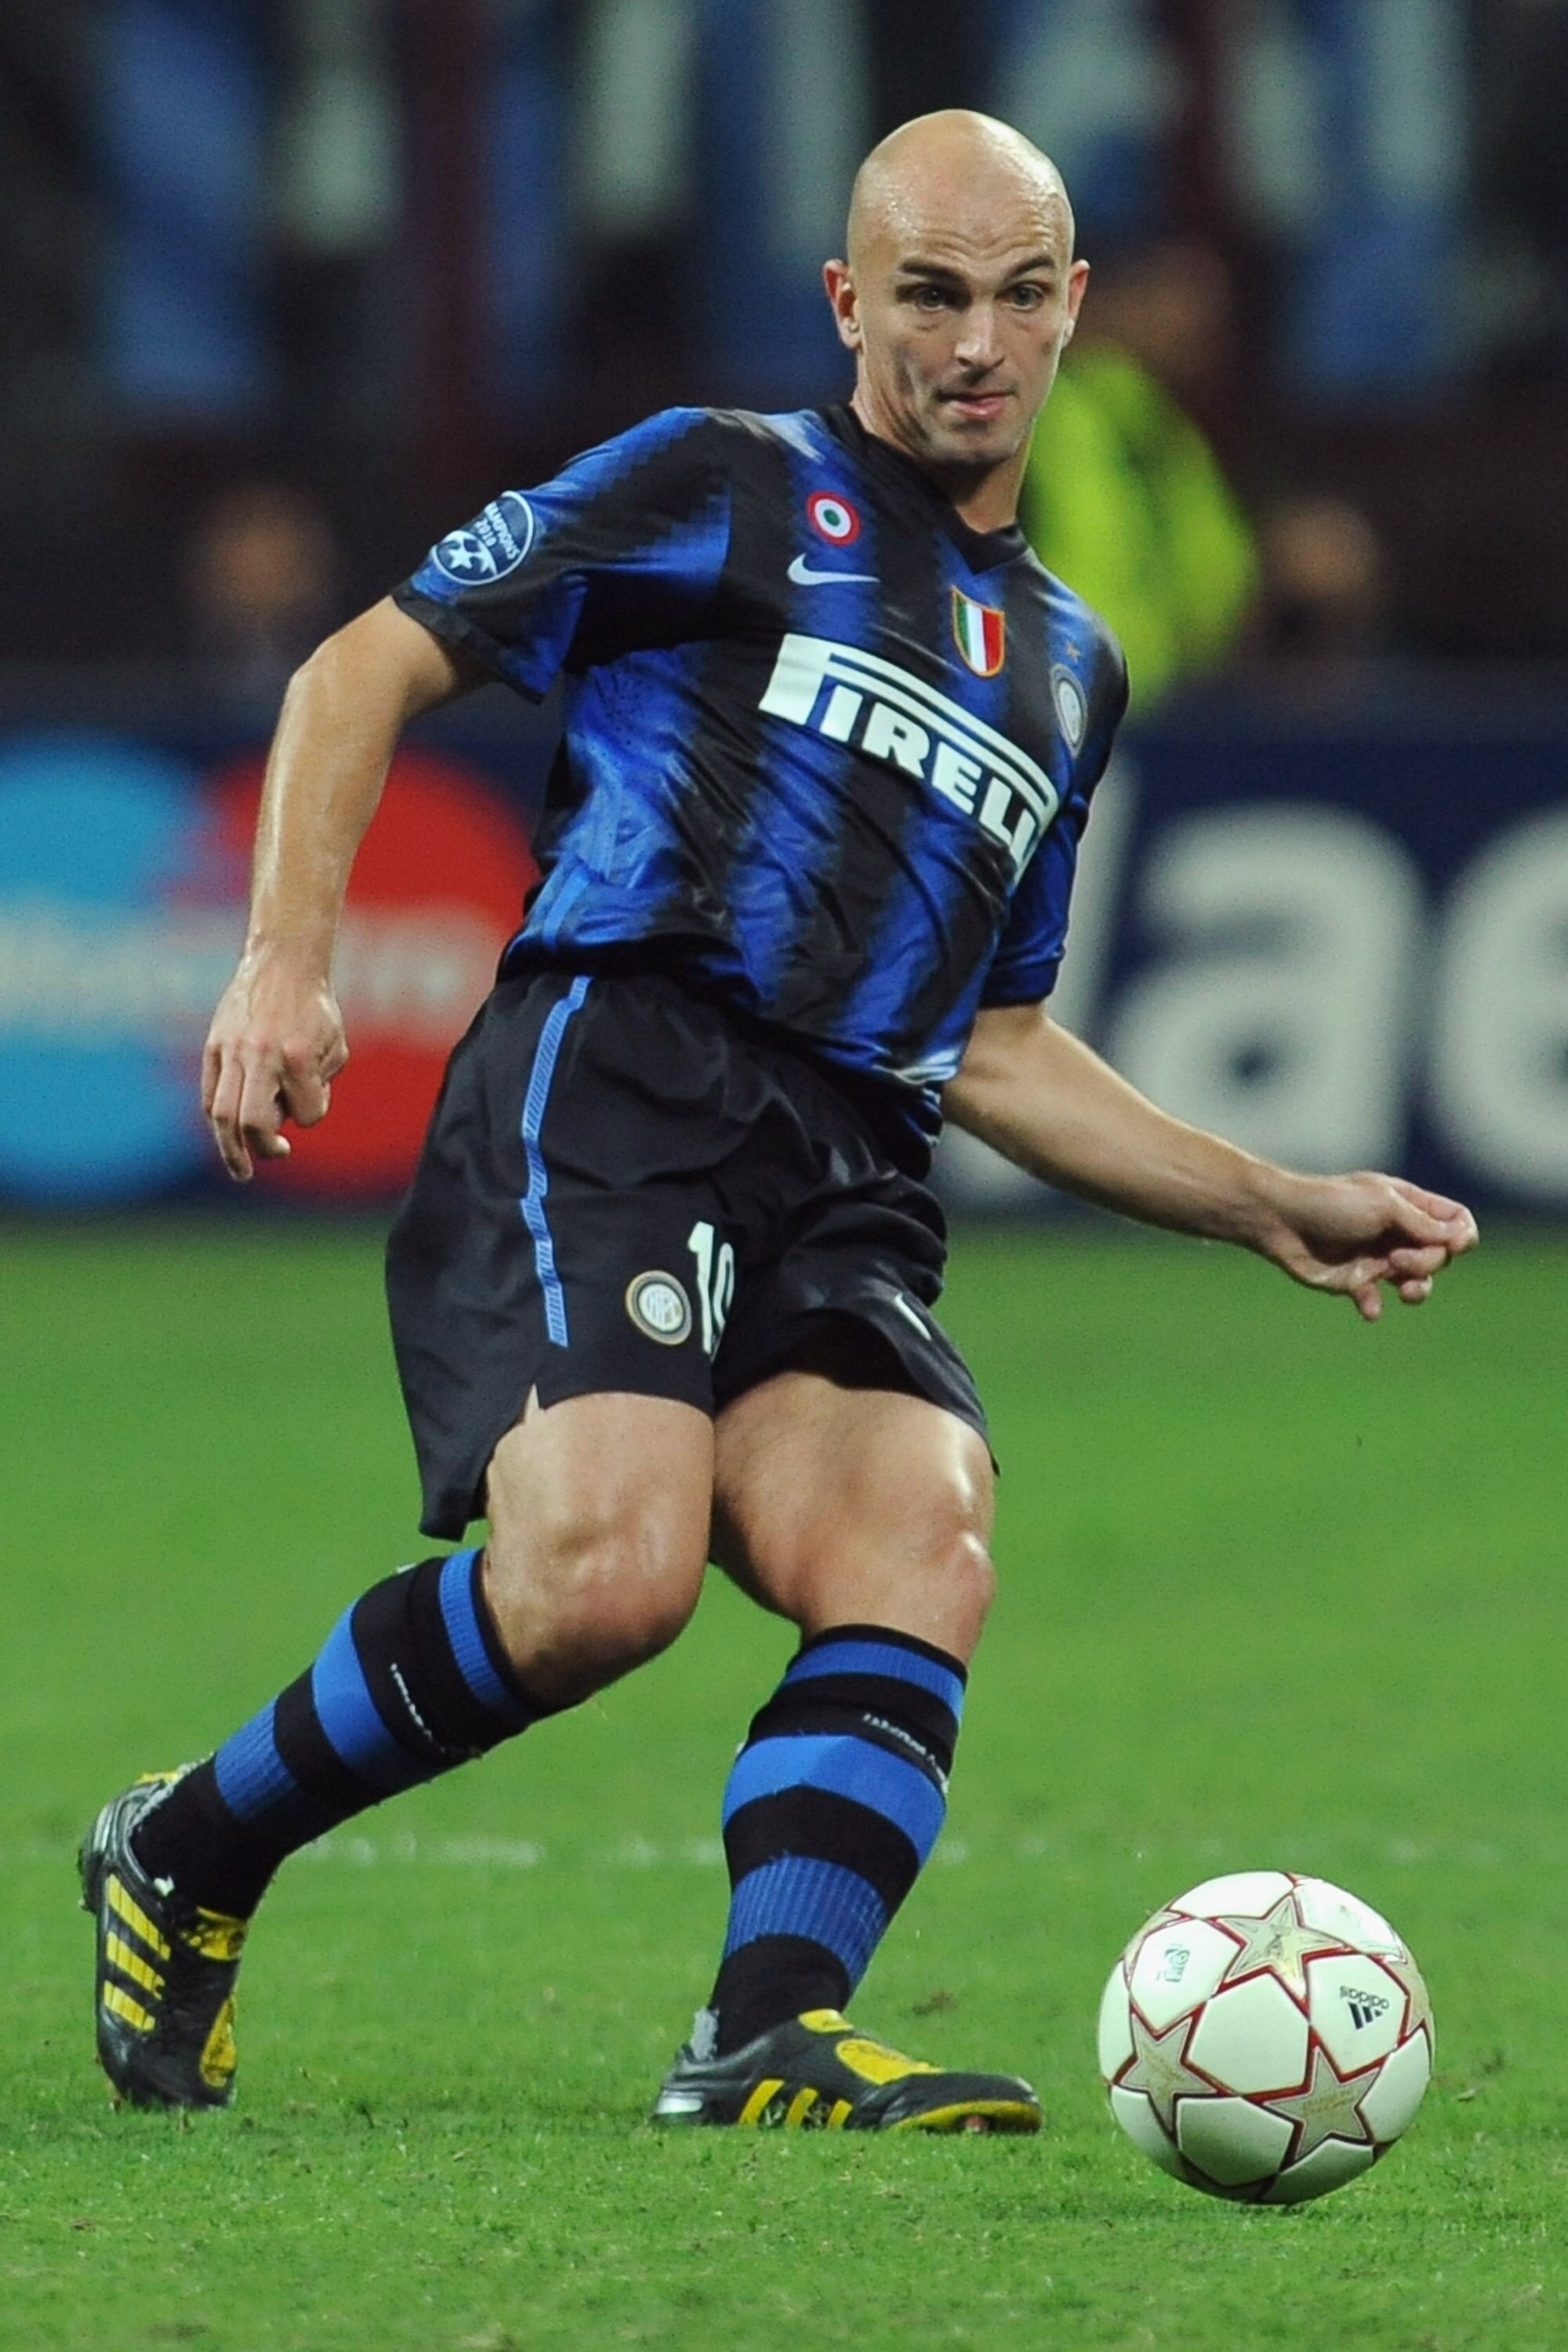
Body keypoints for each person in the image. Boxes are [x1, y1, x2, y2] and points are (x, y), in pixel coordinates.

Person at [80, 111, 1477, 2132]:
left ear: (1075, 303)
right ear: (847, 300)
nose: (973, 341)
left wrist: (1264, 1198)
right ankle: (192, 1845)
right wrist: (284, 958)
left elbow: (989, 1039)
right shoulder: (714, 484)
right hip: (623, 1074)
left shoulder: (1064, 670)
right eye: (925, 292)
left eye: (1016, 293)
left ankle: (765, 2028)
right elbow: (359, 667)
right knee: (601, 1581)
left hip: (850, 1152)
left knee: (921, 1529)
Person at [1018, 240, 1258, 709]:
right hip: (1058, 702)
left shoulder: (1170, 431)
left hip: (1168, 703)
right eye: (1174, 303)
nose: (1195, 326)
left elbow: (1217, 579)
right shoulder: (1033, 419)